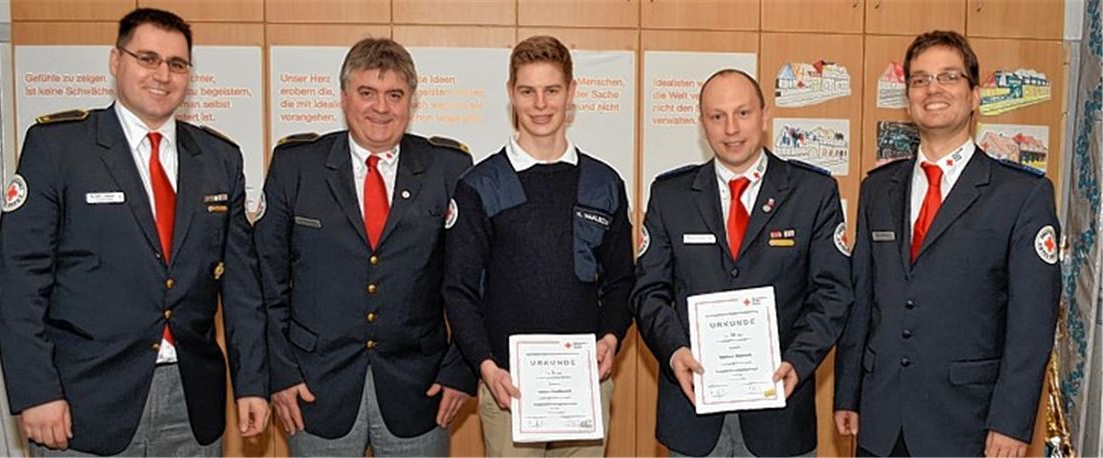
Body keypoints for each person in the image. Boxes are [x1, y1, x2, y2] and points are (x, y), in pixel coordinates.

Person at [0, 8, 269, 456]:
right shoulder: (59, 148)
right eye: (147, 58)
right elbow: (19, 279)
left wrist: (253, 381)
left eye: (177, 64)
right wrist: (36, 391)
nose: (163, 74)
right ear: (115, 61)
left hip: (192, 400)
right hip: (83, 401)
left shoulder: (220, 159)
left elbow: (241, 287)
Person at [833, 30, 1060, 457]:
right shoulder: (878, 189)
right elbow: (862, 300)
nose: (932, 89)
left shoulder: (1020, 195)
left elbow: (1032, 323)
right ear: (907, 97)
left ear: (975, 95)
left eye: (948, 77)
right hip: (881, 420)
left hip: (967, 425)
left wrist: (1012, 421)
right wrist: (848, 392)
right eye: (919, 80)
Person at [254, 37, 476, 457]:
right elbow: (267, 281)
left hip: (420, 390)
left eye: (395, 95)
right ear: (343, 98)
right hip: (313, 391)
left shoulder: (449, 169)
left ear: (412, 101)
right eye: (367, 93)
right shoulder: (295, 166)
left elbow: (470, 281)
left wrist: (460, 370)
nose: (381, 108)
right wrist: (279, 373)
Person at [631, 69, 852, 457]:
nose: (731, 128)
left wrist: (798, 362)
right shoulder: (670, 195)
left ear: (764, 116)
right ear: (703, 125)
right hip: (693, 415)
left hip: (781, 414)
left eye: (743, 113)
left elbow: (832, 294)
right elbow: (648, 292)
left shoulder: (812, 193)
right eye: (717, 117)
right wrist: (674, 351)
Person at [442, 35, 634, 457]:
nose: (541, 104)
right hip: (508, 388)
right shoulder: (480, 186)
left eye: (552, 90)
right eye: (527, 91)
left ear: (572, 93)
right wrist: (485, 366)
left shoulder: (604, 184)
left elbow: (622, 280)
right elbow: (459, 289)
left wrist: (612, 337)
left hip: (584, 387)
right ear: (511, 94)